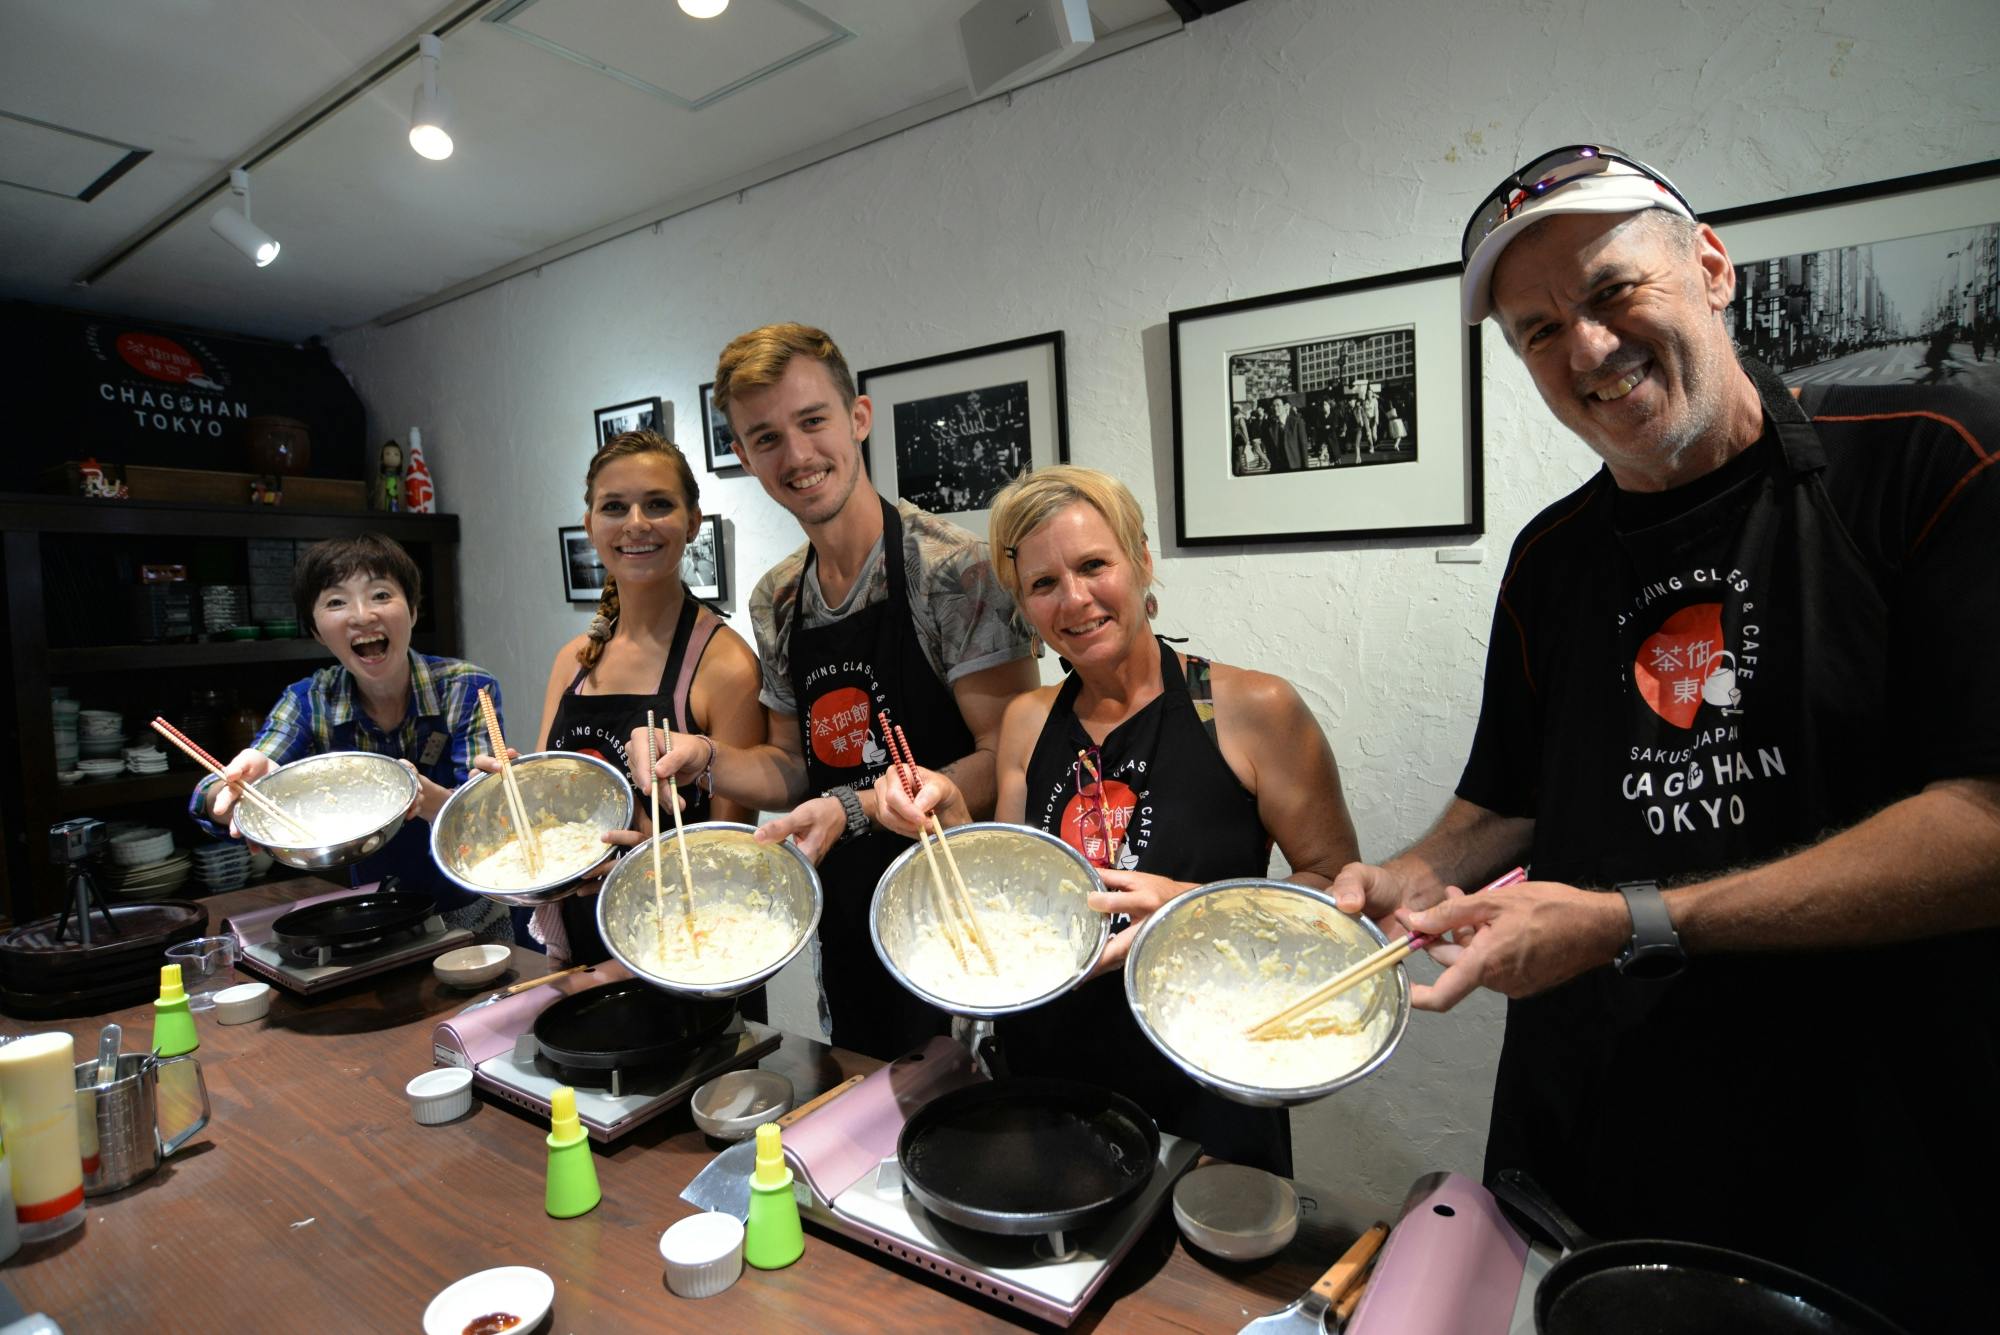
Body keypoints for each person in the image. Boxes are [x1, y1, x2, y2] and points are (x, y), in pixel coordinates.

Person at [1331, 143, 2000, 1332]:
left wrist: (1632, 921)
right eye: (1536, 330)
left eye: (1608, 292)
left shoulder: (1931, 459)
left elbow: (1984, 824)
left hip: (1877, 1159)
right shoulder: (1550, 558)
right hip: (1596, 1147)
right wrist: (1406, 874)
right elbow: (1508, 799)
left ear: (1708, 266)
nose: (1584, 350)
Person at [877, 465, 1358, 1175]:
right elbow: (1013, 897)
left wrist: (1188, 907)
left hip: (1208, 1073)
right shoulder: (1027, 720)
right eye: (1042, 584)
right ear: (1024, 606)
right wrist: (948, 821)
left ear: (1140, 560)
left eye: (1093, 565)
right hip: (1048, 1074)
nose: (1073, 600)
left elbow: (1342, 893)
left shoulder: (1250, 708)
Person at [640, 323, 1038, 1061]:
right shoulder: (778, 598)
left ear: (858, 418)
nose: (796, 455)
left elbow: (1007, 760)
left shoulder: (956, 572)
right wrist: (703, 757)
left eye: (812, 421)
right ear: (743, 455)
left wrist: (856, 806)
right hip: (849, 922)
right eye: (765, 437)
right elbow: (794, 766)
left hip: (964, 929)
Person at [501, 430, 765, 973]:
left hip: (687, 952)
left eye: (659, 504)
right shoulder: (572, 660)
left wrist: (648, 858)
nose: (637, 523)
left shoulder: (725, 664)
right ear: (590, 525)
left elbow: (736, 856)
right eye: (615, 507)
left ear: (692, 522)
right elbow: (549, 806)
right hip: (575, 948)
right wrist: (507, 790)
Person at [191, 533, 510, 940]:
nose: (361, 616)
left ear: (412, 611)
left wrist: (424, 799)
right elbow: (209, 792)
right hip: (369, 912)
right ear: (317, 631)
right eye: (336, 602)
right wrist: (232, 794)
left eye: (380, 595)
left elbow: (489, 818)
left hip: (470, 901)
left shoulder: (466, 687)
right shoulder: (309, 700)